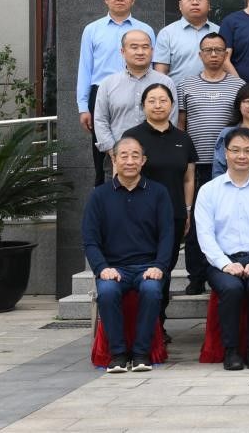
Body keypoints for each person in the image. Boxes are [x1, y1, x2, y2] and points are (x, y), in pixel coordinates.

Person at [81, 136, 172, 373]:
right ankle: (118, 354)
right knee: (108, 292)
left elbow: (167, 236)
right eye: (124, 156)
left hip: (147, 266)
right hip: (114, 268)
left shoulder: (159, 193)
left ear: (143, 161)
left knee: (152, 290)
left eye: (135, 156)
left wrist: (159, 266)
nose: (129, 161)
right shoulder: (99, 196)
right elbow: (90, 240)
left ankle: (141, 353)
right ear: (113, 159)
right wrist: (102, 268)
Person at [196, 127, 249, 371]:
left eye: (247, 150)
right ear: (225, 153)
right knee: (232, 289)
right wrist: (225, 264)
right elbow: (205, 235)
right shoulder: (209, 190)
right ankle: (231, 350)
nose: (241, 156)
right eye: (235, 150)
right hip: (221, 261)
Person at [178, 33, 246, 296]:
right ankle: (196, 276)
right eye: (208, 50)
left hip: (229, 166)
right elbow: (181, 124)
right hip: (196, 166)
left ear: (226, 54)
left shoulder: (238, 85)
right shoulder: (186, 84)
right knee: (197, 224)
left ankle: (226, 269)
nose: (214, 54)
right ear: (200, 54)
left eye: (219, 50)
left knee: (226, 221)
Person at [122, 83, 197, 322]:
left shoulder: (183, 138)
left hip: (173, 215)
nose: (158, 105)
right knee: (143, 268)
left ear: (172, 105)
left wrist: (187, 210)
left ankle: (158, 324)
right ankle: (141, 323)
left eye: (163, 100)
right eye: (152, 100)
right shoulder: (132, 137)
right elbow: (121, 175)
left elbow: (189, 179)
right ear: (143, 105)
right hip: (139, 216)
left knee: (164, 269)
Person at [77, 0, 156, 186]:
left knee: (144, 147)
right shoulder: (92, 30)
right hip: (101, 93)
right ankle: (104, 193)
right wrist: (83, 106)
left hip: (140, 88)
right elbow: (85, 68)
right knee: (102, 153)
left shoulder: (145, 30)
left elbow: (153, 64)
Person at [93, 30, 176, 178]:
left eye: (145, 47)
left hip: (158, 160)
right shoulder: (107, 84)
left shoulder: (165, 82)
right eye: (134, 47)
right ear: (123, 51)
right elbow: (100, 121)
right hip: (118, 161)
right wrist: (115, 152)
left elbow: (172, 119)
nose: (140, 52)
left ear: (152, 51)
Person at [153, 0, 218, 87]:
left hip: (214, 93)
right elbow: (160, 73)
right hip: (177, 95)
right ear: (180, 5)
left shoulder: (219, 31)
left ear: (209, 5)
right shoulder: (167, 33)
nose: (195, 2)